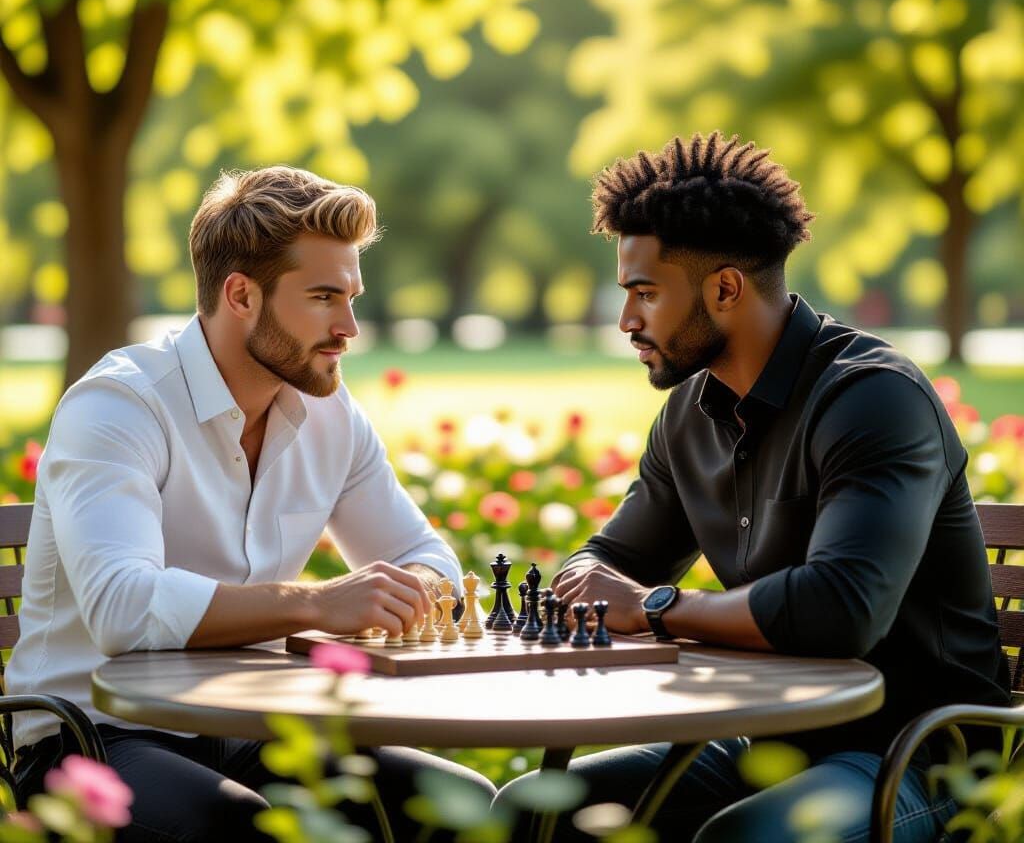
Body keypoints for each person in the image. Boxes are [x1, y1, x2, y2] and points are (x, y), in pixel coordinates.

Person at [496, 131, 1010, 842]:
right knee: (533, 808)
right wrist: (592, 583)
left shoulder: (873, 400)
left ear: (726, 288)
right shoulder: (688, 413)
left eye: (645, 293)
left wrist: (654, 606)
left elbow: (842, 611)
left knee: (744, 838)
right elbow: (605, 561)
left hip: (919, 753)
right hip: (772, 734)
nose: (627, 321)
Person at [8, 166, 494, 840]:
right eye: (324, 297)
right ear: (240, 295)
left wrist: (405, 590)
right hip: (90, 739)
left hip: (246, 728)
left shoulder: (329, 413)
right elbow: (122, 609)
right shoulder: (120, 405)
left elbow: (424, 556)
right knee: (235, 824)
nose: (349, 327)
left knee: (456, 801)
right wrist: (320, 604)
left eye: (351, 296)